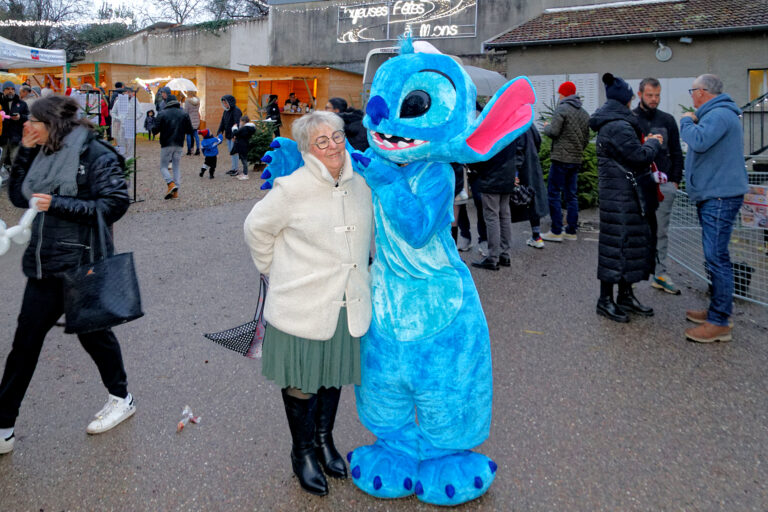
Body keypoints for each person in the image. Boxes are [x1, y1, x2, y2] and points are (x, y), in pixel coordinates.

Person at [243, 111, 373, 496]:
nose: (333, 145)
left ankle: (323, 441)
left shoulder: (362, 183)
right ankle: (301, 452)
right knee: (302, 382)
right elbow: (255, 229)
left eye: (336, 136)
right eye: (322, 141)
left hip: (347, 302)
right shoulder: (290, 188)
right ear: (306, 149)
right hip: (302, 304)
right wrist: (276, 269)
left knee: (332, 376)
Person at [0, 96, 134, 455]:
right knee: (23, 346)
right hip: (43, 264)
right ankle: (3, 425)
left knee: (95, 337)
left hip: (82, 263)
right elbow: (18, 197)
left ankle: (121, 397)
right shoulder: (41, 151)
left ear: (53, 124)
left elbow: (114, 204)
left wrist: (57, 203)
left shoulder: (96, 155)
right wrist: (25, 154)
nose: (26, 126)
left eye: (34, 122)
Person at [680, 74, 749, 343]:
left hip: (719, 197)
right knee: (715, 256)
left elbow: (698, 141)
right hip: (716, 195)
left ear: (703, 92)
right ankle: (717, 311)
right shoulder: (718, 114)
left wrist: (686, 120)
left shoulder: (719, 114)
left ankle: (719, 321)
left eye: (692, 90)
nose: (691, 96)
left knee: (717, 257)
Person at [589, 73, 662, 323]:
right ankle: (605, 300)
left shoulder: (615, 121)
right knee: (616, 246)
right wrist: (654, 143)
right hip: (621, 198)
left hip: (623, 197)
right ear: (625, 101)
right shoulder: (618, 125)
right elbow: (639, 157)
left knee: (627, 245)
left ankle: (625, 295)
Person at [633, 77, 685, 295]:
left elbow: (676, 151)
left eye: (657, 95)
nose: (654, 99)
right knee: (634, 231)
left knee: (661, 232)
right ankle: (631, 276)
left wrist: (674, 180)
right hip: (637, 185)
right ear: (640, 94)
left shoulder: (667, 120)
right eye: (650, 95)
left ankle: (660, 273)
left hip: (664, 187)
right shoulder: (631, 119)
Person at [540, 81, 590, 242]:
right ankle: (571, 230)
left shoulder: (561, 109)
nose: (559, 95)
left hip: (560, 158)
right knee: (571, 195)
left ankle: (556, 231)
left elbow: (554, 132)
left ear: (564, 94)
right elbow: (586, 139)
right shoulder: (583, 113)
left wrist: (546, 126)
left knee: (554, 193)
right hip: (576, 159)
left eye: (560, 93)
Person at [469, 138, 518, 271]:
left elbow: (480, 155)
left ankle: (493, 257)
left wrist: (473, 168)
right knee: (504, 215)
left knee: (492, 217)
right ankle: (505, 254)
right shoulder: (510, 129)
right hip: (508, 175)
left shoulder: (491, 128)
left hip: (491, 176)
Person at [153, 94, 193, 199]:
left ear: (167, 103)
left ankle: (170, 184)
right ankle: (175, 192)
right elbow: (189, 130)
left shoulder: (162, 113)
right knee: (176, 166)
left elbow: (154, 130)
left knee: (163, 167)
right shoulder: (184, 113)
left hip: (166, 144)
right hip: (179, 144)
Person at [0, 82, 29, 172]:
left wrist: (20, 117)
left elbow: (28, 117)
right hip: (1, 138)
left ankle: (16, 183)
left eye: (12, 89)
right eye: (8, 89)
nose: (10, 91)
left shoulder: (22, 104)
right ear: (3, 90)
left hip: (16, 137)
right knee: (1, 158)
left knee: (15, 161)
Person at [217, 95, 242, 175]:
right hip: (228, 135)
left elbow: (237, 124)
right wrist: (220, 131)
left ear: (230, 102)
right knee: (231, 152)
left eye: (226, 103)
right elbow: (223, 122)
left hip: (234, 136)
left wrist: (234, 135)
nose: (225, 105)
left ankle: (236, 169)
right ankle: (233, 168)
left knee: (234, 152)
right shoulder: (226, 111)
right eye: (223, 103)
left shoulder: (236, 111)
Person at [230, 115, 256, 180]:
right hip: (245, 144)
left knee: (244, 160)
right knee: (243, 159)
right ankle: (244, 173)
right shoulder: (249, 128)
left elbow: (236, 133)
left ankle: (245, 174)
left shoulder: (244, 128)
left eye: (240, 121)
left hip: (242, 145)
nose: (240, 122)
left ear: (243, 121)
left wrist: (234, 128)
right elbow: (241, 135)